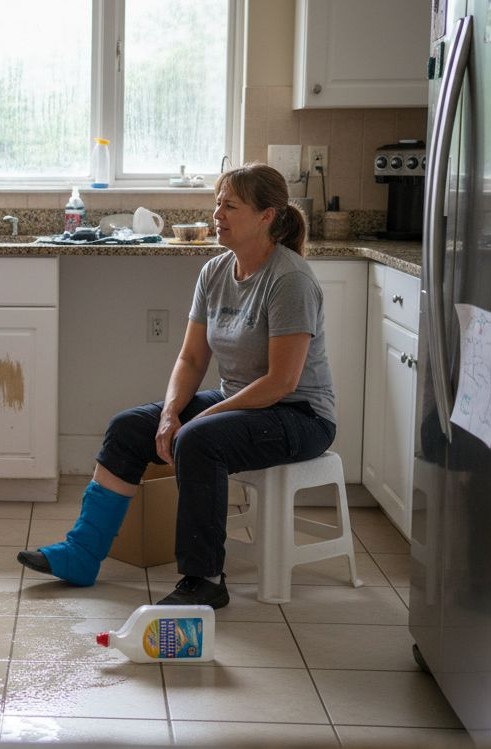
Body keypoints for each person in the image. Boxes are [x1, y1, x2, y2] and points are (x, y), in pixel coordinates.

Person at [18, 162, 337, 608]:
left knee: (199, 440)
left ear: (267, 216)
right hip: (241, 402)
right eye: (217, 204)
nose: (217, 215)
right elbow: (190, 358)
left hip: (299, 415)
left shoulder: (289, 280)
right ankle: (82, 553)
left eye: (230, 206)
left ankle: (204, 580)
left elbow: (281, 382)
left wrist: (198, 420)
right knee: (130, 427)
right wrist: (170, 413)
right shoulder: (215, 272)